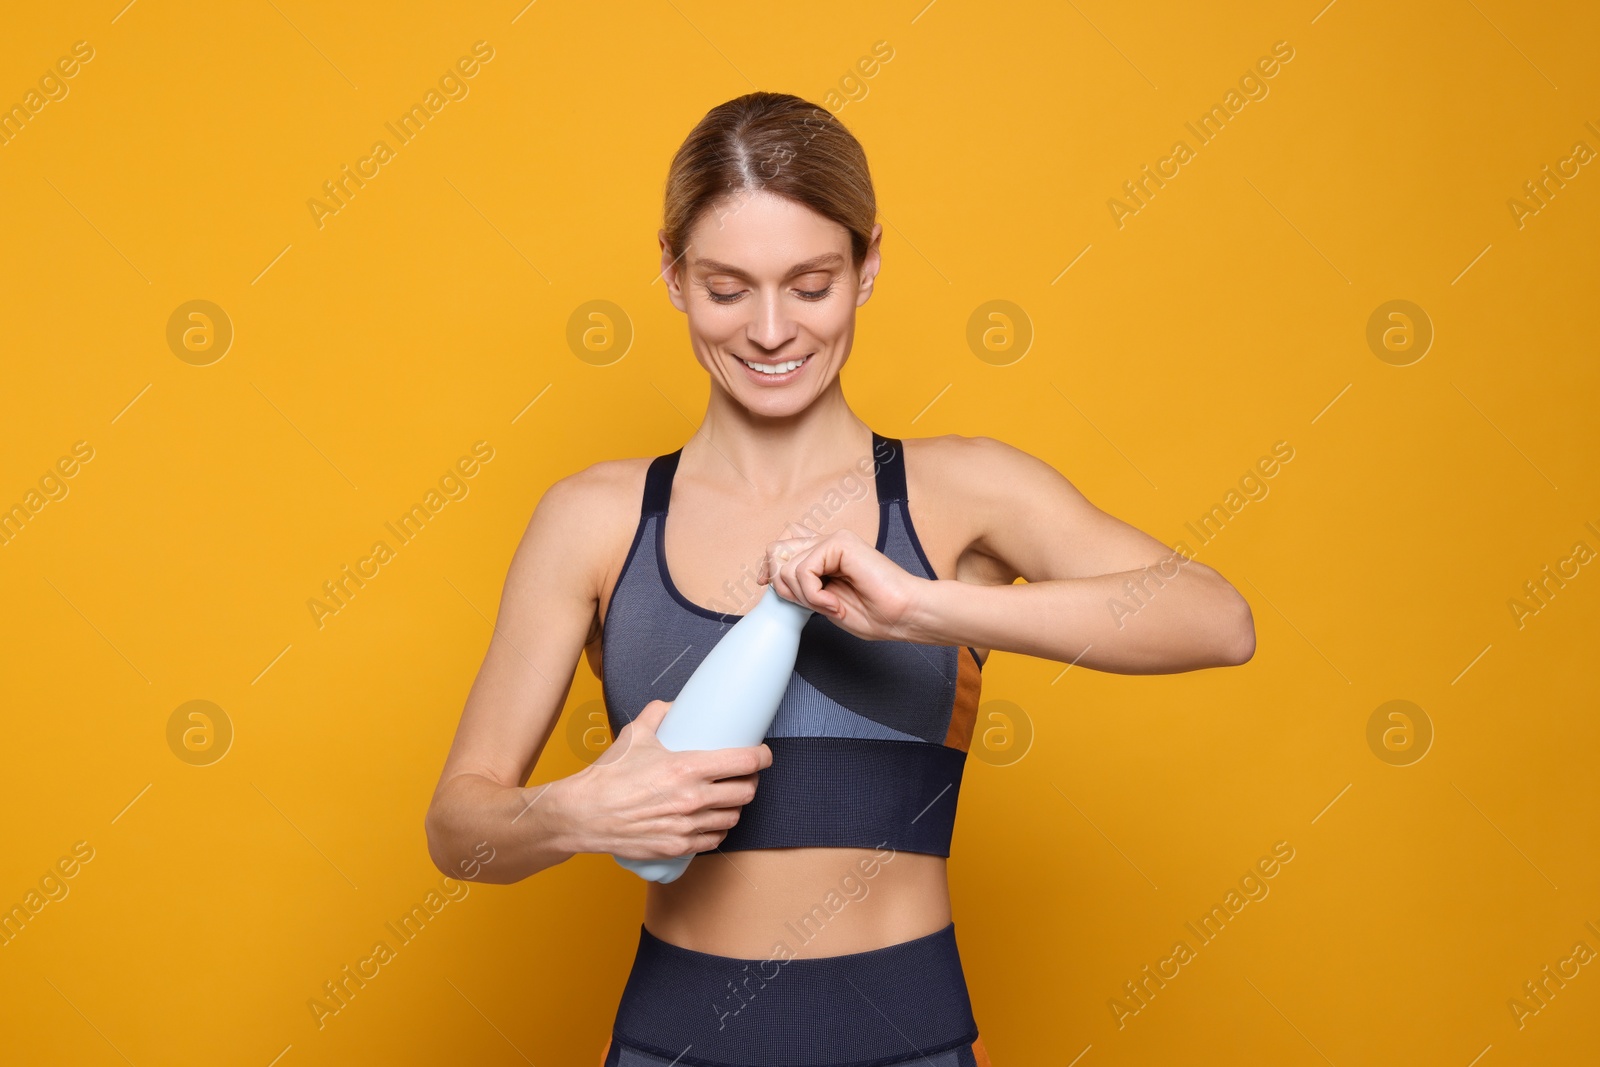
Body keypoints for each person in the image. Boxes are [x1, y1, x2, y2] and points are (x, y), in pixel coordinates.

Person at [424, 91, 1255, 1067]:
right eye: (727, 288)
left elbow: (1218, 619)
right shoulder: (597, 518)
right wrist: (573, 810)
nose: (771, 330)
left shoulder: (958, 491)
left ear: (868, 265)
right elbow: (457, 828)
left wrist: (922, 607)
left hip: (910, 1042)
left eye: (809, 283)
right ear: (670, 271)